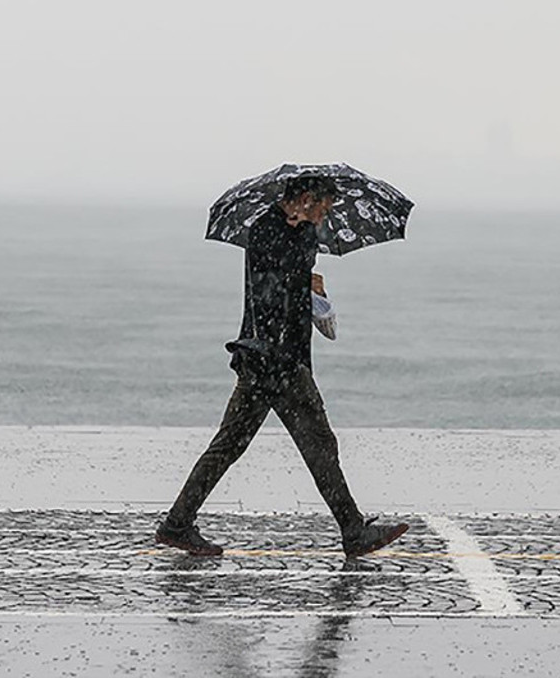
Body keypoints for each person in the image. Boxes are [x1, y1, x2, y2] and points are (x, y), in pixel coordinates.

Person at [156, 177, 409, 558]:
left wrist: (311, 286)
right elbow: (273, 288)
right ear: (305, 199)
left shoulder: (305, 235)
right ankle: (354, 533)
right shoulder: (265, 231)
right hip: (272, 361)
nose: (326, 216)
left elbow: (293, 286)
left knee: (233, 446)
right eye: (323, 207)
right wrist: (307, 283)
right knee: (315, 445)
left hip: (280, 359)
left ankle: (177, 524)